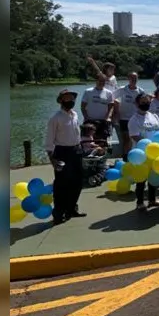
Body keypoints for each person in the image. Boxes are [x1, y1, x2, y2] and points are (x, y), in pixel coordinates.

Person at [45, 89, 84, 224]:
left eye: (72, 98)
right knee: (62, 184)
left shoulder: (75, 114)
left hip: (76, 150)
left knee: (77, 182)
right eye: (67, 98)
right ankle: (58, 213)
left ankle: (71, 208)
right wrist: (52, 158)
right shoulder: (55, 118)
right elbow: (49, 140)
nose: (70, 101)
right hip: (62, 152)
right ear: (61, 100)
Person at [128, 93, 159, 212]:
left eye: (148, 101)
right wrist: (148, 146)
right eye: (143, 102)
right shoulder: (134, 120)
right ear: (137, 103)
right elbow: (135, 136)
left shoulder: (154, 116)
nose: (146, 104)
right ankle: (139, 202)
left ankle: (152, 199)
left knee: (153, 177)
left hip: (155, 152)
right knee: (141, 179)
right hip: (141, 154)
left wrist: (158, 148)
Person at [114, 72, 145, 156]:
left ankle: (136, 155)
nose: (134, 80)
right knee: (126, 139)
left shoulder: (141, 91)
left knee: (135, 139)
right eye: (132, 78)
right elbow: (112, 98)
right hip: (124, 118)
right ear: (128, 79)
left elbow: (144, 103)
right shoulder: (122, 89)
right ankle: (126, 157)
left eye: (135, 78)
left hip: (136, 119)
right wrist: (116, 112)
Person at [81, 73, 115, 145]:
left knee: (102, 142)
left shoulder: (109, 93)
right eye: (100, 81)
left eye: (103, 81)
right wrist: (86, 117)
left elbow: (111, 107)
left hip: (103, 121)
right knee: (89, 143)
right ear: (96, 81)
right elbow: (83, 106)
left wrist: (108, 117)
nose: (101, 83)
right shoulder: (88, 91)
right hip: (90, 121)